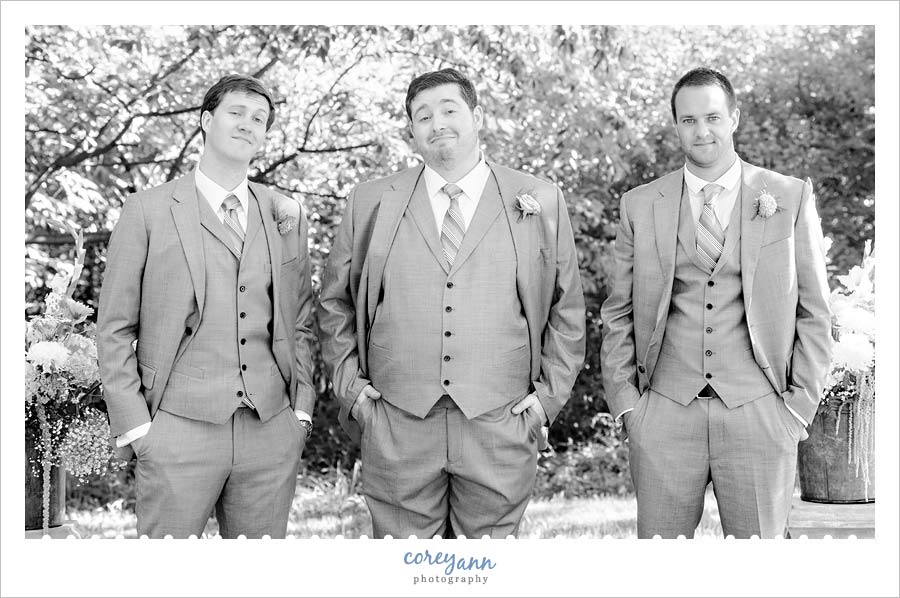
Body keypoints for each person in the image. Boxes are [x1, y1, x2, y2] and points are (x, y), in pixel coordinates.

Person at [318, 68, 585, 539]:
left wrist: (547, 400)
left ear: (476, 116)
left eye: (449, 110)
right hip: (396, 422)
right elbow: (334, 302)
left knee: (486, 567)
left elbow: (567, 309)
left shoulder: (539, 198)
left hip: (500, 422)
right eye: (423, 116)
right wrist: (352, 390)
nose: (437, 123)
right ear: (412, 130)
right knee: (406, 567)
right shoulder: (371, 201)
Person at [600, 67, 832, 539]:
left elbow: (815, 311)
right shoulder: (640, 204)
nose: (701, 131)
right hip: (664, 414)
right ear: (676, 125)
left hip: (760, 413)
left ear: (734, 118)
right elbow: (617, 312)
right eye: (688, 120)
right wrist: (629, 408)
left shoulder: (788, 196)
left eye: (712, 118)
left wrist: (797, 409)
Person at [97, 74, 315, 539]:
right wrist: (137, 428)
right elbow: (114, 327)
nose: (248, 124)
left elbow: (300, 320)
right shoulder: (148, 210)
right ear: (206, 120)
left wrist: (300, 412)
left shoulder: (285, 213)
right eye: (237, 113)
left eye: (259, 119)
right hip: (175, 429)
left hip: (270, 430)